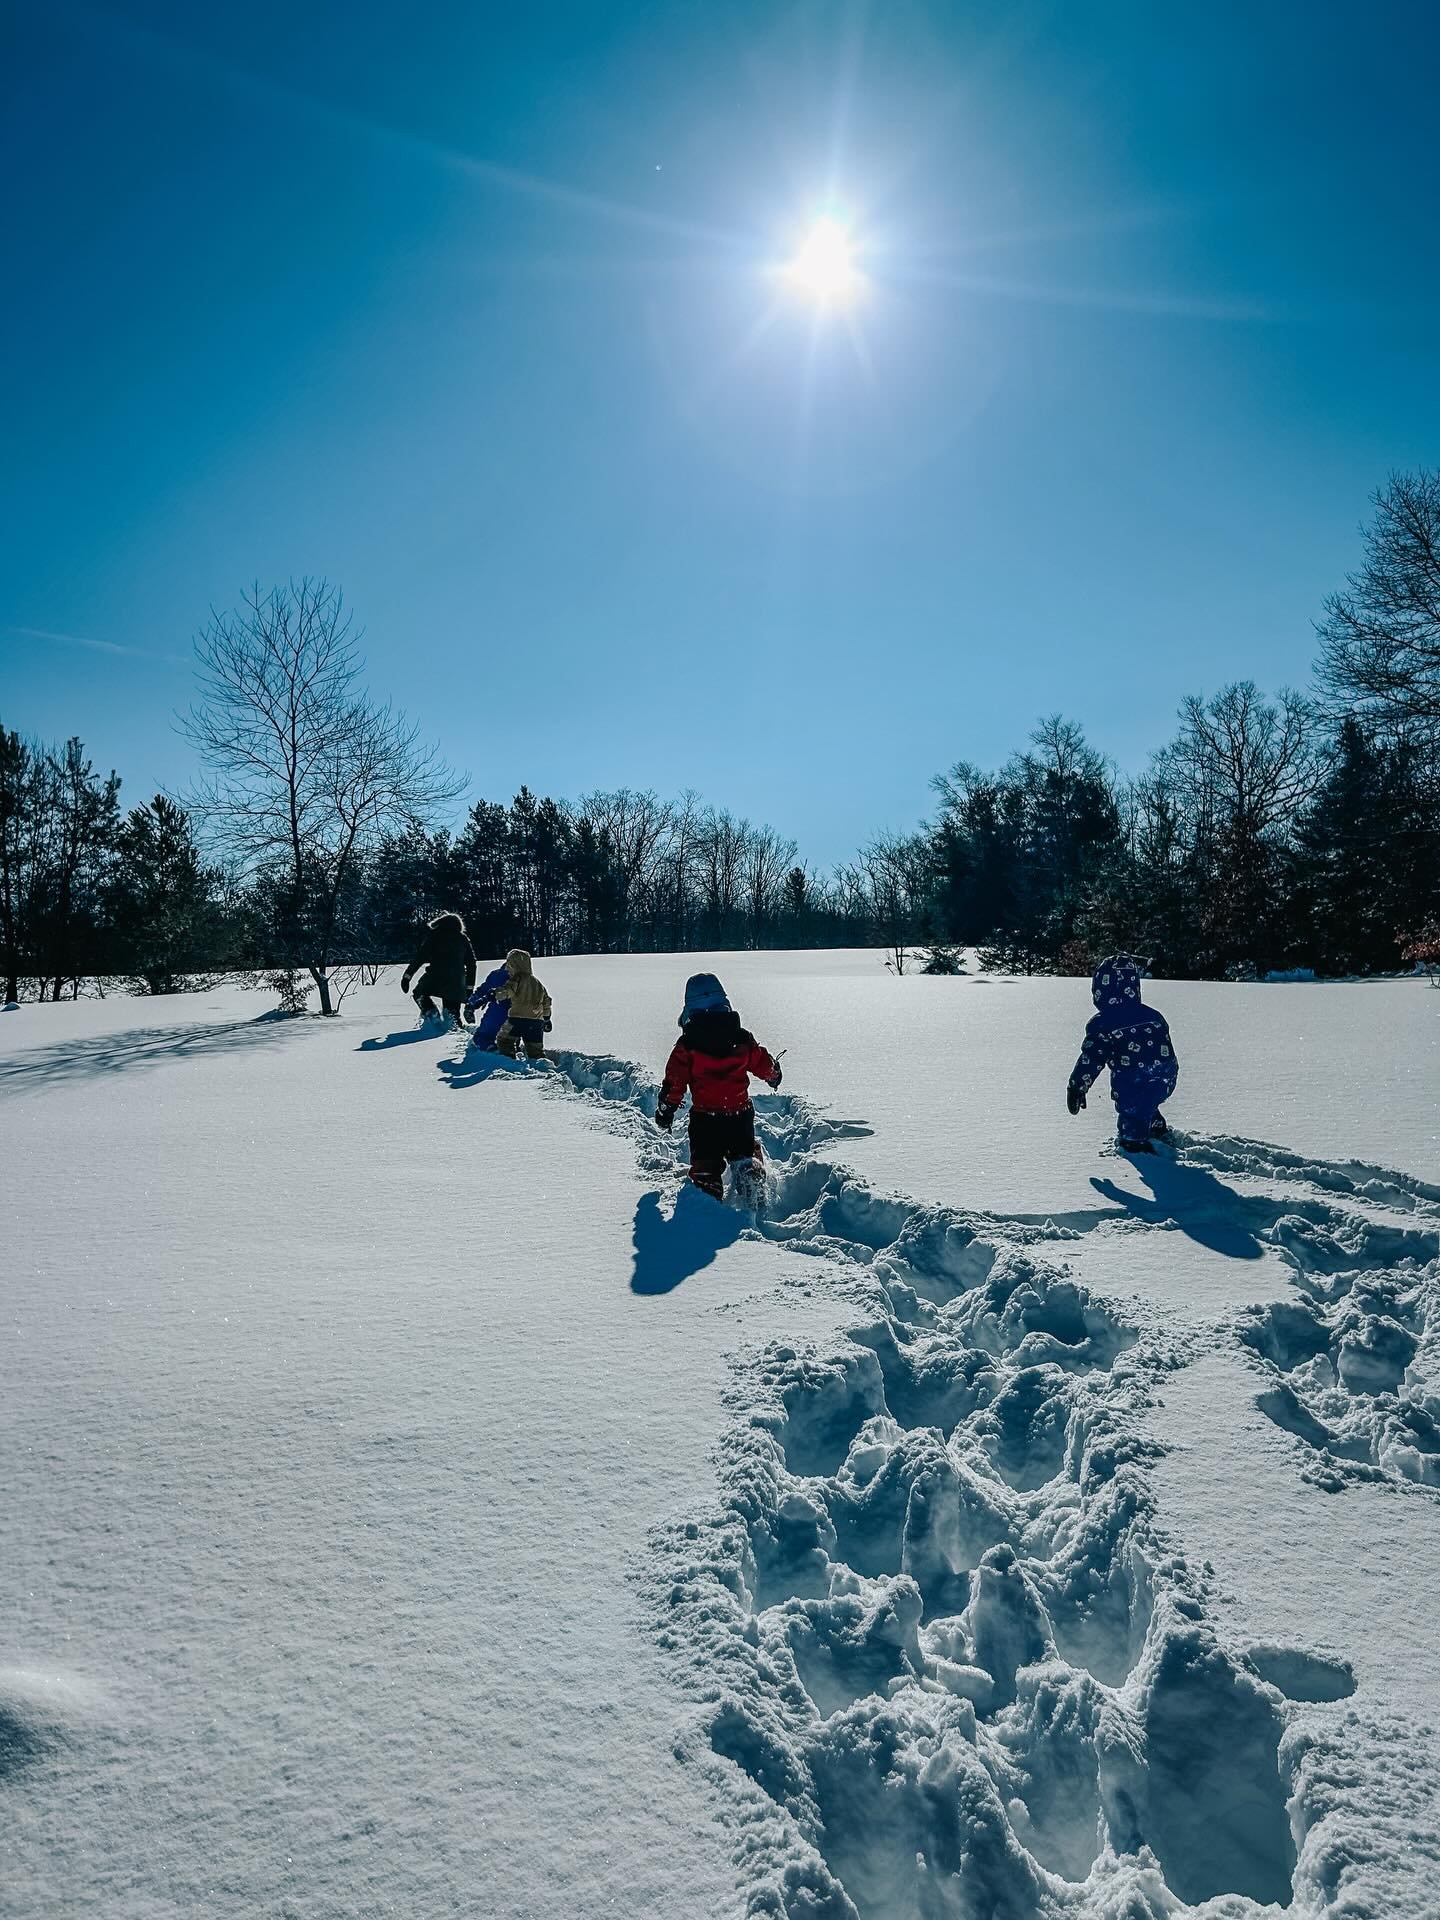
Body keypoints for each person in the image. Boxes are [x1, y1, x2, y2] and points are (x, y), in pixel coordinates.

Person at [656, 973, 783, 1201]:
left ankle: (708, 1185)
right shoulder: (741, 1038)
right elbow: (762, 1062)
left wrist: (666, 1110)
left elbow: (674, 1082)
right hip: (739, 1115)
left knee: (706, 1159)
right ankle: (749, 1170)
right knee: (743, 1151)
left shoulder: (687, 1046)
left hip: (706, 1120)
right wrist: (773, 1073)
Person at [1066, 953, 1178, 1153]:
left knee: (1131, 1109)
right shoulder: (1153, 1015)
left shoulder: (1103, 1023)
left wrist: (1077, 1087)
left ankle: (1136, 1144)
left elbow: (1092, 1058)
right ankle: (1156, 1126)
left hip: (1133, 1078)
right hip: (1166, 1075)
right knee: (1147, 1100)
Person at [400, 912, 476, 1026]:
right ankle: (455, 1031)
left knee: (419, 994)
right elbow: (471, 964)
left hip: (435, 977)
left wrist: (407, 976)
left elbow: (420, 957)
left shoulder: (434, 936)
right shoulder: (462, 938)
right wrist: (469, 987)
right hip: (456, 981)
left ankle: (431, 1013)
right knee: (452, 1015)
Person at [492, 948, 553, 1061]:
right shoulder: (537, 983)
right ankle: (541, 1065)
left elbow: (508, 991)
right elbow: (546, 1002)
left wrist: (495, 993)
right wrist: (547, 1018)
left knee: (504, 1040)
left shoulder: (516, 978)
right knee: (535, 1049)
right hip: (536, 1023)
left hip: (516, 1020)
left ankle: (509, 1060)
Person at [465, 960, 513, 1052]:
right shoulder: (528, 979)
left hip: (497, 1013)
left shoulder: (497, 975)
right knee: (510, 1039)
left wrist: (470, 1005)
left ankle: (491, 1051)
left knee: (482, 1037)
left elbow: (482, 990)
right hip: (521, 1015)